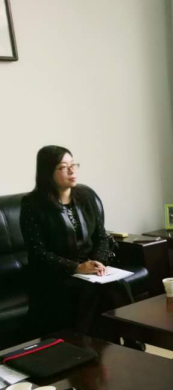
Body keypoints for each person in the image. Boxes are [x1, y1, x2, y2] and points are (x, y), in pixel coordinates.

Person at [20, 145, 140, 345]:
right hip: (56, 273)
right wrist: (75, 267)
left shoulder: (86, 197)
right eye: (63, 167)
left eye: (73, 164)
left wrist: (97, 262)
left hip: (89, 268)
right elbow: (38, 252)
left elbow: (101, 236)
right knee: (88, 291)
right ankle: (84, 347)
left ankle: (133, 344)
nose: (72, 171)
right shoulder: (32, 205)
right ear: (47, 172)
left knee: (118, 285)